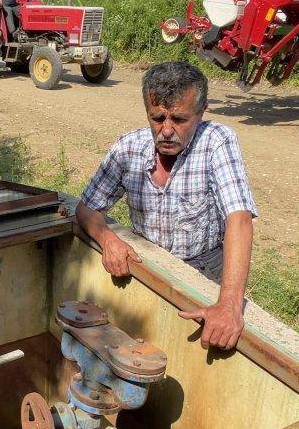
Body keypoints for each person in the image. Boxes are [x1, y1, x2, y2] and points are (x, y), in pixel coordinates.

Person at [76, 62, 257, 351]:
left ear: (201, 112)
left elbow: (239, 218)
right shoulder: (128, 148)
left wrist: (228, 305)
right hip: (147, 264)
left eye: (180, 119)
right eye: (158, 118)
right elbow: (86, 208)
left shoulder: (217, 142)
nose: (167, 131)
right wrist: (107, 238)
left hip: (203, 267)